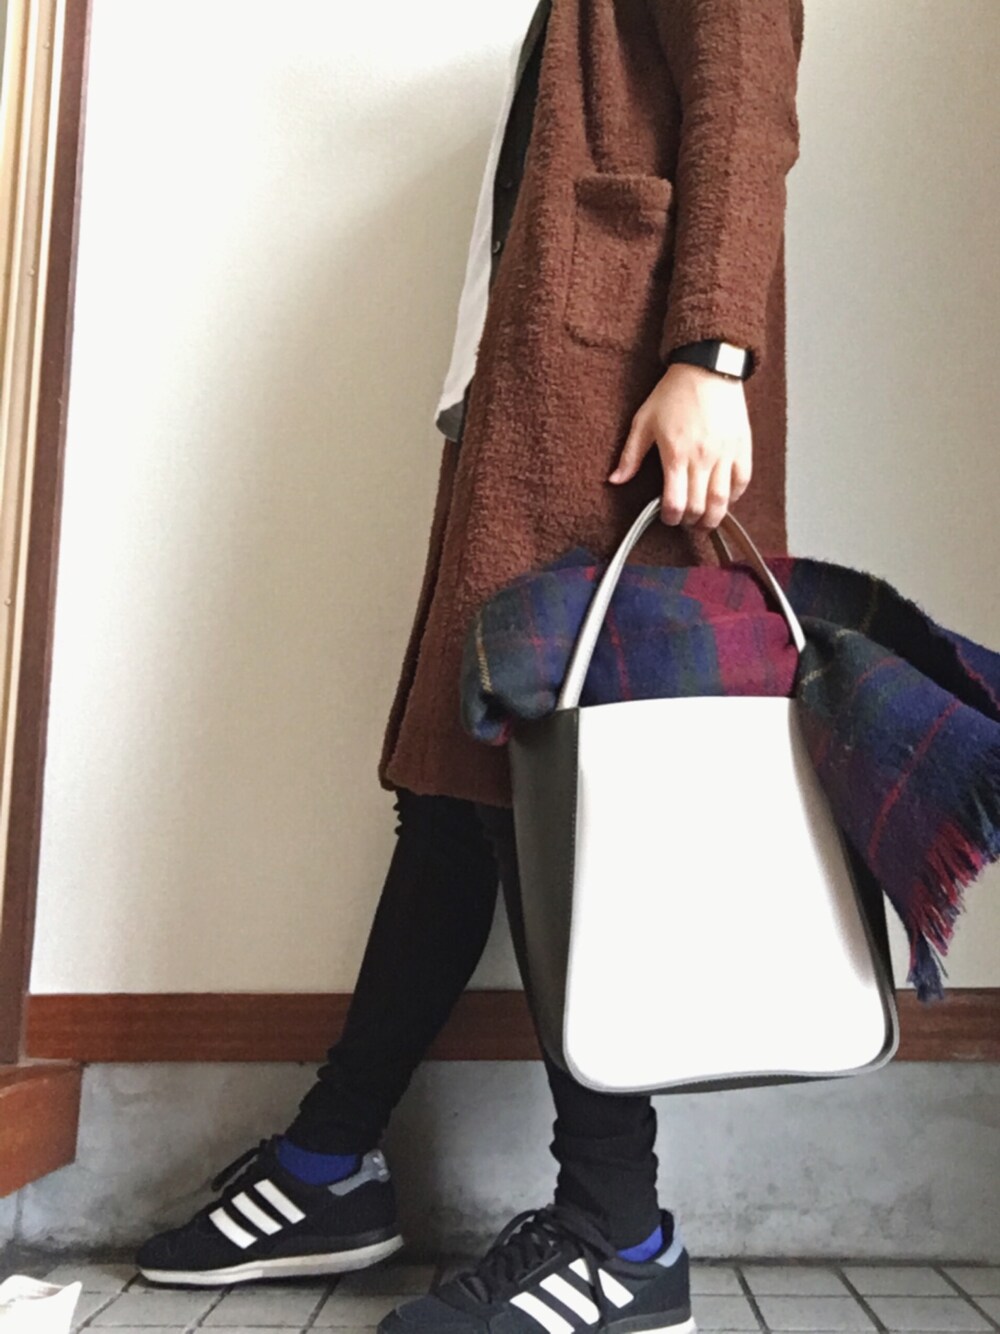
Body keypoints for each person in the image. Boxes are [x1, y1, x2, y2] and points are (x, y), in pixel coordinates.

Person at [137, 2, 804, 1330]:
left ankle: (619, 1226)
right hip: (529, 420)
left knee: (553, 812)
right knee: (453, 799)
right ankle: (333, 1161)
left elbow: (746, 103)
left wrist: (712, 353)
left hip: (613, 430)